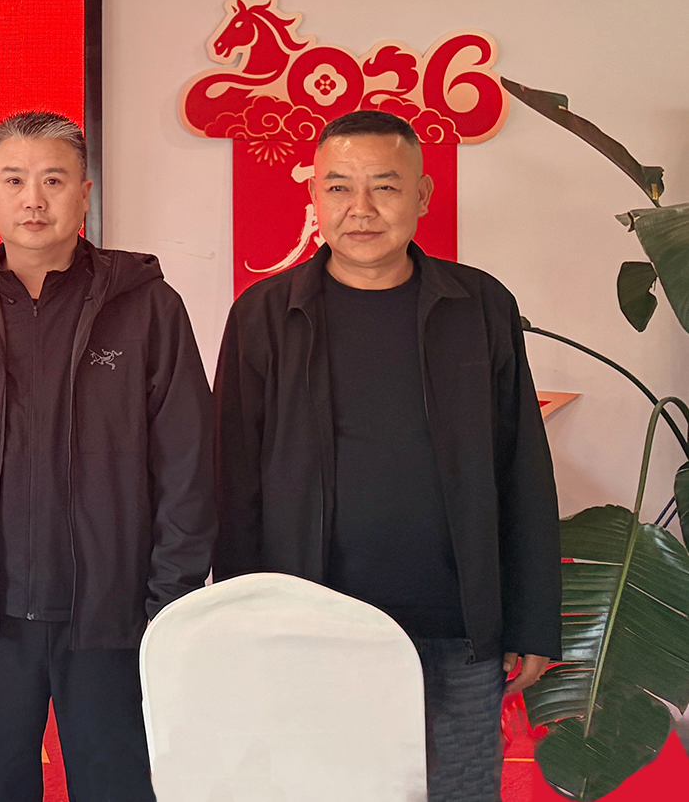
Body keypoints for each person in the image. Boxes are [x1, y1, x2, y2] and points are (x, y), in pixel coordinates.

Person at [213, 108, 561, 802]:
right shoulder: (264, 315)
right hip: (311, 628)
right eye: (339, 187)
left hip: (456, 627)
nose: (361, 208)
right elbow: (233, 483)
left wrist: (530, 619)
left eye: (385, 186)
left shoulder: (479, 305)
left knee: (458, 791)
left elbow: (521, 468)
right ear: (314, 196)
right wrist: (245, 622)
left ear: (423, 195)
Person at [0, 110, 215, 802]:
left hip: (113, 617)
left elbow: (187, 464)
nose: (33, 199)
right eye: (14, 180)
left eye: (53, 180)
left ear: (85, 192)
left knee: (117, 788)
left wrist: (171, 601)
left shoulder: (146, 307)